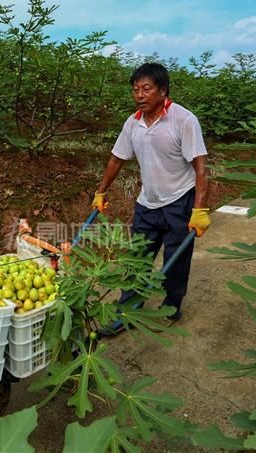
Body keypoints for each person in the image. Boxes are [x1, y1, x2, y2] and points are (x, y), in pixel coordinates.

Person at [93, 62, 210, 331]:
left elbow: (201, 167)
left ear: (163, 91)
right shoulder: (132, 123)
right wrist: (100, 192)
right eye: (135, 90)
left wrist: (200, 210)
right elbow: (116, 159)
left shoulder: (184, 120)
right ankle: (128, 313)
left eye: (146, 89)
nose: (140, 95)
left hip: (180, 202)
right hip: (147, 204)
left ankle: (171, 307)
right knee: (137, 260)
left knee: (175, 263)